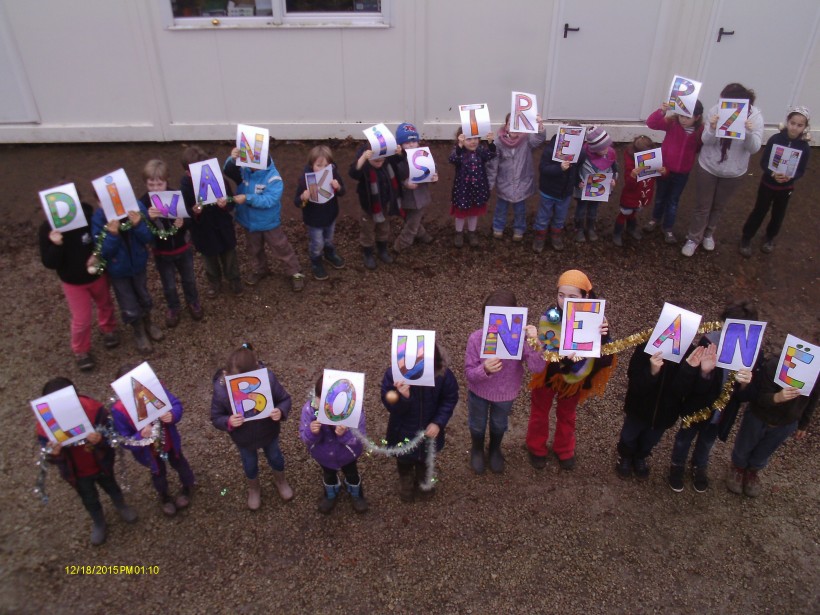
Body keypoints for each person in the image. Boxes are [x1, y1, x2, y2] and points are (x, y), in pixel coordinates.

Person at [666, 301, 758, 492]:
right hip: (697, 406)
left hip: (722, 413)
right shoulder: (709, 341)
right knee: (685, 437)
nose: (724, 333)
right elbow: (693, 385)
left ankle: (699, 466)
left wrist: (745, 383)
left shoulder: (753, 352)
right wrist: (705, 373)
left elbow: (747, 395)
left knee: (708, 440)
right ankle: (677, 465)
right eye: (723, 327)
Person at [527, 270, 614, 470]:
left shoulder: (597, 321)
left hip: (574, 378)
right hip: (548, 376)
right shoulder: (549, 317)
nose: (565, 301)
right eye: (561, 295)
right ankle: (536, 447)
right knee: (540, 412)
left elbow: (606, 354)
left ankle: (564, 449)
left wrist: (603, 336)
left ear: (585, 296)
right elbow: (543, 348)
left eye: (572, 297)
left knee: (567, 414)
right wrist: (560, 355)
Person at [36, 377, 137, 546]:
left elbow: (112, 433)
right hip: (76, 472)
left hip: (102, 463)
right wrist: (54, 453)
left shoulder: (93, 409)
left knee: (112, 486)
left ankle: (121, 506)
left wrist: (101, 439)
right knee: (89, 498)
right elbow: (46, 455)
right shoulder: (45, 425)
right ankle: (99, 522)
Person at [465, 289, 545, 474]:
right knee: (477, 424)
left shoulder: (520, 340)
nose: (494, 326)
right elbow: (469, 373)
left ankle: (494, 449)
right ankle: (477, 449)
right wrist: (484, 369)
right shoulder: (476, 338)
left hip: (506, 394)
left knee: (499, 424)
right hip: (478, 392)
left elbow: (537, 367)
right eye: (490, 320)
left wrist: (535, 343)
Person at [682, 83, 763, 256]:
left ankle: (708, 234)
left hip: (734, 171)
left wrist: (748, 132)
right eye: (723, 100)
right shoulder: (716, 110)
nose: (724, 104)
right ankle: (693, 238)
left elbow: (754, 148)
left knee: (718, 206)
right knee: (702, 206)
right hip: (709, 166)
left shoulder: (755, 117)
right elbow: (706, 140)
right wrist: (711, 128)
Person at [210, 344, 294, 510]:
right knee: (249, 464)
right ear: (226, 375)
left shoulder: (267, 379)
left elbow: (285, 399)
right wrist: (228, 421)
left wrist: (280, 411)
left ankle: (280, 480)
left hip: (268, 432)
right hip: (244, 439)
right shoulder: (221, 390)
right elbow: (215, 417)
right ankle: (253, 488)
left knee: (276, 457)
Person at [39, 200, 120, 371]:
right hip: (73, 282)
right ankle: (81, 350)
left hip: (96, 275)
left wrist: (98, 255)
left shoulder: (89, 219)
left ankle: (108, 329)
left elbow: (100, 239)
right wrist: (57, 245)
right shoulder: (47, 229)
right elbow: (49, 262)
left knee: (105, 304)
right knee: (81, 319)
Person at [111, 364, 195, 517]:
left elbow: (175, 404)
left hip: (170, 443)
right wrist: (140, 436)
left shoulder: (156, 391)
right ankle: (164, 496)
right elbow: (123, 439)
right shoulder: (119, 411)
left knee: (180, 464)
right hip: (149, 453)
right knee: (158, 474)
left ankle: (188, 486)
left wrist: (172, 415)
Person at [727, 358, 817, 497]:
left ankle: (753, 471)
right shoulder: (774, 364)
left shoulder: (815, 372)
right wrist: (776, 398)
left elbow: (813, 399)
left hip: (786, 422)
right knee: (744, 445)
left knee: (766, 449)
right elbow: (757, 396)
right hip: (758, 415)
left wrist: (803, 424)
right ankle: (738, 468)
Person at [381, 344, 458, 502]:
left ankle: (424, 480)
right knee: (403, 461)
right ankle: (406, 483)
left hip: (428, 433)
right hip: (402, 431)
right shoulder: (394, 376)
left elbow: (449, 398)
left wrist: (438, 422)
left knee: (425, 460)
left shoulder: (442, 375)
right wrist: (403, 397)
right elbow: (390, 404)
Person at [223, 145, 305, 291]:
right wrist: (232, 159)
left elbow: (269, 200)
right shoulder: (245, 171)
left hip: (269, 223)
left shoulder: (273, 178)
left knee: (280, 247)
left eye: (249, 164)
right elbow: (228, 171)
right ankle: (260, 270)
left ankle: (294, 271)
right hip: (249, 222)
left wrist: (247, 198)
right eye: (244, 163)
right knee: (254, 249)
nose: (246, 167)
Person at [91, 197, 163, 353]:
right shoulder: (98, 219)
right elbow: (102, 252)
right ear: (98, 202)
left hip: (138, 264)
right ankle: (138, 332)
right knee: (128, 302)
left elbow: (149, 237)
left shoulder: (135, 207)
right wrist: (113, 235)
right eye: (103, 200)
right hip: (118, 271)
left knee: (144, 294)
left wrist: (138, 225)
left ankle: (148, 323)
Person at [739, 106, 811, 256]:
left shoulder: (804, 147)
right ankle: (746, 237)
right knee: (760, 210)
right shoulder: (775, 139)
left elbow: (801, 170)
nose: (795, 127)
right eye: (792, 123)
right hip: (767, 184)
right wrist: (772, 173)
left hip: (786, 188)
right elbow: (764, 162)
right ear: (787, 122)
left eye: (799, 125)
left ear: (805, 127)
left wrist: (792, 176)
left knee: (778, 214)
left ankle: (770, 237)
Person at [139, 159, 202, 328]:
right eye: (151, 184)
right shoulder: (144, 203)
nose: (155, 189)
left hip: (182, 247)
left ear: (166, 181)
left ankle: (193, 301)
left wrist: (183, 224)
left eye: (159, 184)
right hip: (162, 252)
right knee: (169, 285)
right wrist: (149, 219)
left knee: (189, 279)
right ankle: (173, 307)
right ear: (145, 183)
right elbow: (141, 231)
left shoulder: (175, 195)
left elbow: (189, 219)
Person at [298, 374, 367, 514]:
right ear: (316, 397)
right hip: (324, 456)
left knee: (352, 473)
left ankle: (356, 494)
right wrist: (312, 432)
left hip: (347, 455)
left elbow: (360, 438)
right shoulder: (309, 410)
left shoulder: (354, 411)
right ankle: (330, 493)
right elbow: (305, 437)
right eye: (320, 400)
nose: (325, 407)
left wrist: (344, 435)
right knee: (328, 475)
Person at [180, 145, 242, 297]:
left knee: (229, 254)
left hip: (222, 225)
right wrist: (194, 212)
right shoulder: (186, 185)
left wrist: (225, 203)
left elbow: (231, 200)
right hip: (202, 230)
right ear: (187, 172)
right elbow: (184, 211)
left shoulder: (218, 178)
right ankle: (214, 282)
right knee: (209, 258)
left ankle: (233, 278)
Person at [644, 99, 704, 244]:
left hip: (682, 172)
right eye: (681, 116)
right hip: (664, 169)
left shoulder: (701, 131)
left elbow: (701, 146)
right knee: (660, 196)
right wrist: (662, 111)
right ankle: (655, 219)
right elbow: (651, 123)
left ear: (697, 117)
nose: (683, 120)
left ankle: (668, 228)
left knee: (673, 201)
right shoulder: (672, 123)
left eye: (687, 117)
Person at [486, 113, 546, 242]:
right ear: (506, 126)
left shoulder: (527, 139)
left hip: (522, 182)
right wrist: (489, 185)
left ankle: (519, 229)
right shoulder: (498, 142)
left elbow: (539, 139)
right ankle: (498, 228)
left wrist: (539, 125)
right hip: (504, 182)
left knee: (520, 209)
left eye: (517, 125)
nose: (513, 128)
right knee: (501, 208)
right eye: (510, 124)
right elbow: (492, 164)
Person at [293, 145, 346, 281]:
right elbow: (297, 202)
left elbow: (342, 192)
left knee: (329, 238)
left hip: (330, 215)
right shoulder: (305, 179)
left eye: (326, 165)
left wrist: (338, 186)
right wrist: (303, 197)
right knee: (317, 243)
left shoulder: (333, 175)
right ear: (311, 165)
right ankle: (316, 261)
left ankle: (329, 254)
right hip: (314, 220)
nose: (323, 169)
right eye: (319, 165)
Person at [532, 127, 587, 253]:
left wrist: (578, 181)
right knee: (543, 216)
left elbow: (576, 170)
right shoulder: (551, 150)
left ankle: (555, 235)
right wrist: (560, 168)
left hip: (565, 193)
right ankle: (540, 236)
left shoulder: (580, 153)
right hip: (548, 191)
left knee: (560, 216)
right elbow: (544, 169)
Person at [349, 142, 402, 269]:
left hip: (384, 205)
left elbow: (399, 159)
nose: (379, 162)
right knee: (367, 230)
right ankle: (368, 253)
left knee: (384, 228)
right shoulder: (365, 168)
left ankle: (382, 250)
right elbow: (353, 172)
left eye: (382, 159)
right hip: (369, 207)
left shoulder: (387, 163)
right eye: (376, 160)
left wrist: (399, 152)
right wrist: (362, 158)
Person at [391, 122, 437, 252]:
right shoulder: (397, 159)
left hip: (420, 197)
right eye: (406, 142)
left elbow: (432, 169)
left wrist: (434, 176)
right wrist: (405, 183)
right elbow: (394, 177)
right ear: (400, 144)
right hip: (405, 198)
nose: (411, 145)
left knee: (411, 224)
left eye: (413, 141)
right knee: (409, 220)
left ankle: (400, 245)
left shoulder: (423, 155)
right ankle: (422, 234)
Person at [614, 135, 666, 247]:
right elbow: (629, 185)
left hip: (642, 196)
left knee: (634, 213)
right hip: (630, 197)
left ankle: (631, 229)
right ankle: (617, 233)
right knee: (624, 214)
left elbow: (661, 176)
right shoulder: (631, 165)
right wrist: (633, 175)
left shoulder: (654, 160)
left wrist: (664, 171)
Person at [448, 127, 496, 248]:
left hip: (478, 189)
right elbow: (453, 159)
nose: (473, 141)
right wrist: (459, 146)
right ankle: (458, 233)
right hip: (462, 190)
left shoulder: (480, 151)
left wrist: (491, 143)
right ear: (461, 140)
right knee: (460, 213)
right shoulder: (459, 152)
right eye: (468, 139)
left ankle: (472, 232)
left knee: (474, 213)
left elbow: (491, 155)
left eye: (475, 138)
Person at [573, 126, 618, 243]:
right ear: (594, 149)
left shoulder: (611, 153)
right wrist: (578, 182)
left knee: (594, 208)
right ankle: (579, 228)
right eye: (602, 149)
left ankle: (591, 227)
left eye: (607, 146)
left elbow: (615, 169)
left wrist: (613, 179)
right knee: (581, 208)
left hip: (599, 190)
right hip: (583, 190)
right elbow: (575, 169)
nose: (606, 150)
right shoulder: (583, 154)